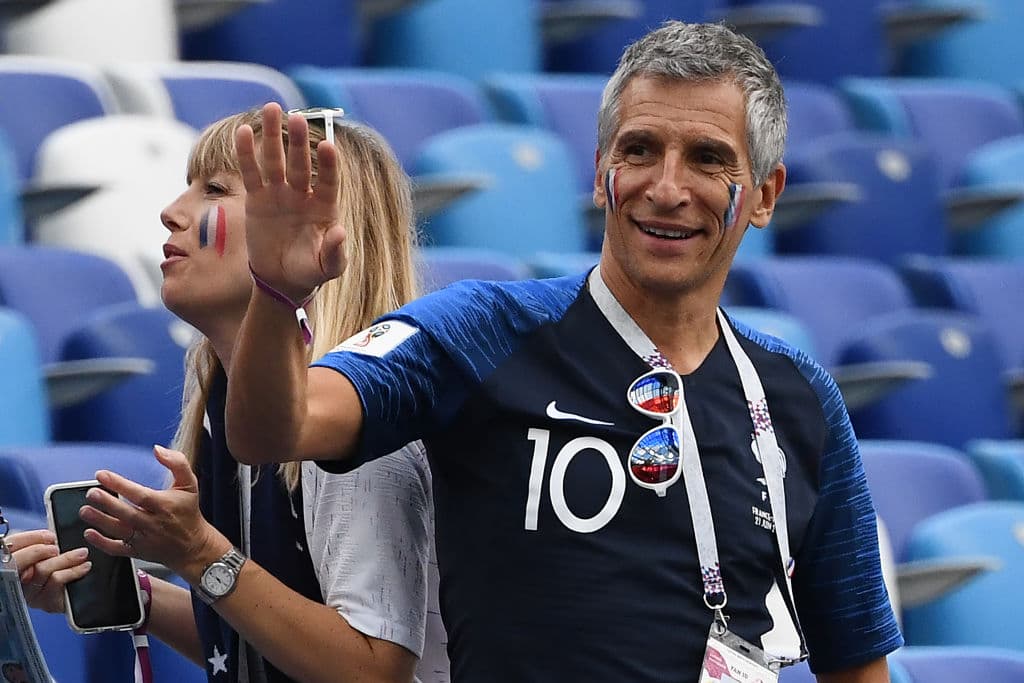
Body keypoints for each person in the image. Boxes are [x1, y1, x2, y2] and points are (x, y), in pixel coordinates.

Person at [223, 22, 902, 683]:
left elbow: (857, 660)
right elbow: (271, 430)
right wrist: (278, 294)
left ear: (764, 195)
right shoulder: (483, 330)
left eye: (707, 158)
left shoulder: (799, 397)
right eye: (638, 150)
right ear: (601, 167)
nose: (666, 188)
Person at [7, 107, 449, 683]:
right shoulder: (215, 384)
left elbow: (371, 670)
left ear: (307, 225)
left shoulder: (353, 410)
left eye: (213, 189)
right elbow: (257, 644)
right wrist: (130, 591)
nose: (171, 213)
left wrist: (199, 554)